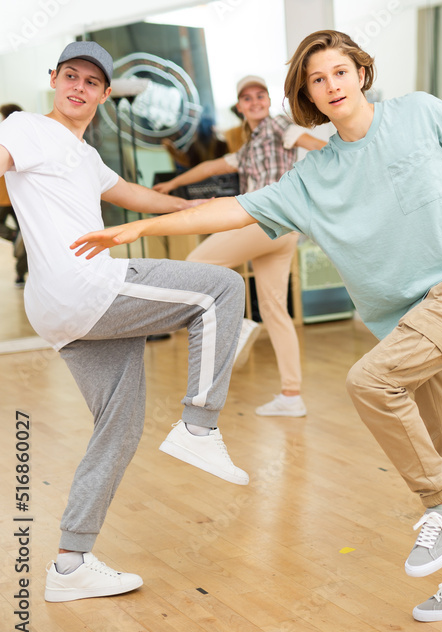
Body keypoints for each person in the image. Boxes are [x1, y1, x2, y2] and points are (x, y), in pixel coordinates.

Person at [72, 30, 442, 621]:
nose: (331, 86)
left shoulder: (419, 113)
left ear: (361, 72)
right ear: (308, 95)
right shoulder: (313, 177)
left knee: (371, 383)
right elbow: (237, 209)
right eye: (317, 79)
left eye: (339, 72)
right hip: (409, 320)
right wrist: (140, 229)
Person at [0, 41, 250, 603]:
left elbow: (133, 195)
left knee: (119, 426)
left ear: (105, 95)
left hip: (59, 312)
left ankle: (70, 564)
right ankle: (200, 425)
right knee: (222, 287)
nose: (78, 87)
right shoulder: (25, 128)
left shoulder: (83, 156)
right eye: (70, 76)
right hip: (86, 283)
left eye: (91, 82)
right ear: (53, 80)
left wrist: (195, 204)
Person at [154, 75, 327, 417]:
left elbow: (324, 148)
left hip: (266, 221)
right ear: (239, 107)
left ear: (268, 100)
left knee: (195, 262)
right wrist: (172, 182)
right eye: (247, 98)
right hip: (284, 231)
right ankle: (292, 396)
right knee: (276, 309)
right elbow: (209, 167)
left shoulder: (279, 126)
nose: (254, 101)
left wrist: (311, 150)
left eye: (260, 95)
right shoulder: (249, 146)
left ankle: (237, 329)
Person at [0, 103, 27, 286]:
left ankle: (20, 274)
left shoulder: (16, 137)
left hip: (16, 197)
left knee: (26, 238)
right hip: (7, 197)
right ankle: (16, 236)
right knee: (24, 237)